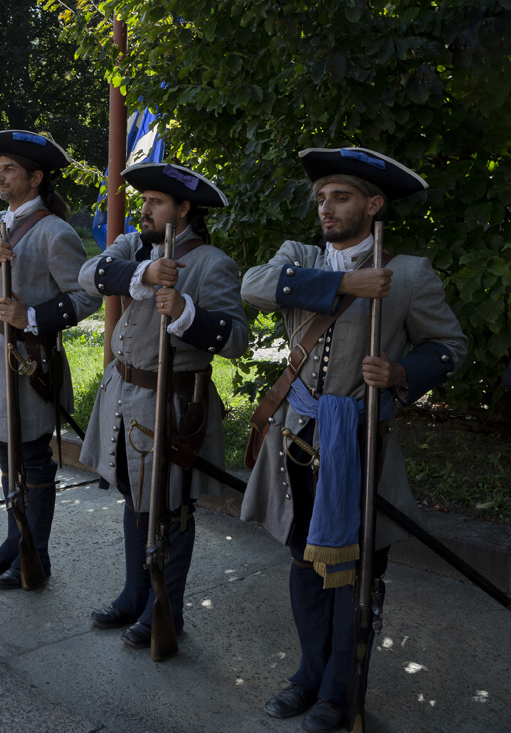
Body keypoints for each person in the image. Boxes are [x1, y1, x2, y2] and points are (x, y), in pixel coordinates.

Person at [240, 147, 468, 733]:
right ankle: (308, 676)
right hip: (297, 440)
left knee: (358, 572)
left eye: (340, 197)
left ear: (374, 203)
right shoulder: (300, 257)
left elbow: (449, 346)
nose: (326, 207)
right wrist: (346, 282)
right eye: (321, 198)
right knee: (302, 562)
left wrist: (403, 375)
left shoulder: (409, 273)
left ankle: (341, 691)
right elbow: (255, 286)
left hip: (364, 443)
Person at [77, 162, 249, 648]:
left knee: (171, 509)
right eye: (145, 200)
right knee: (135, 500)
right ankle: (136, 595)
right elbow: (89, 274)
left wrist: (188, 314)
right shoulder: (134, 247)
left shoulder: (212, 263)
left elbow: (236, 339)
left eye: (155, 202)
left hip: (174, 404)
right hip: (124, 395)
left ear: (184, 209)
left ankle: (163, 612)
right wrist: (144, 272)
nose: (144, 210)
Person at [0, 129, 101, 589]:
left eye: (9, 169)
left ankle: (35, 555)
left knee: (33, 457)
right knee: (7, 455)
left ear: (36, 176)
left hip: (31, 360)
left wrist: (31, 315)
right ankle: (13, 543)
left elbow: (86, 298)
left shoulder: (55, 232)